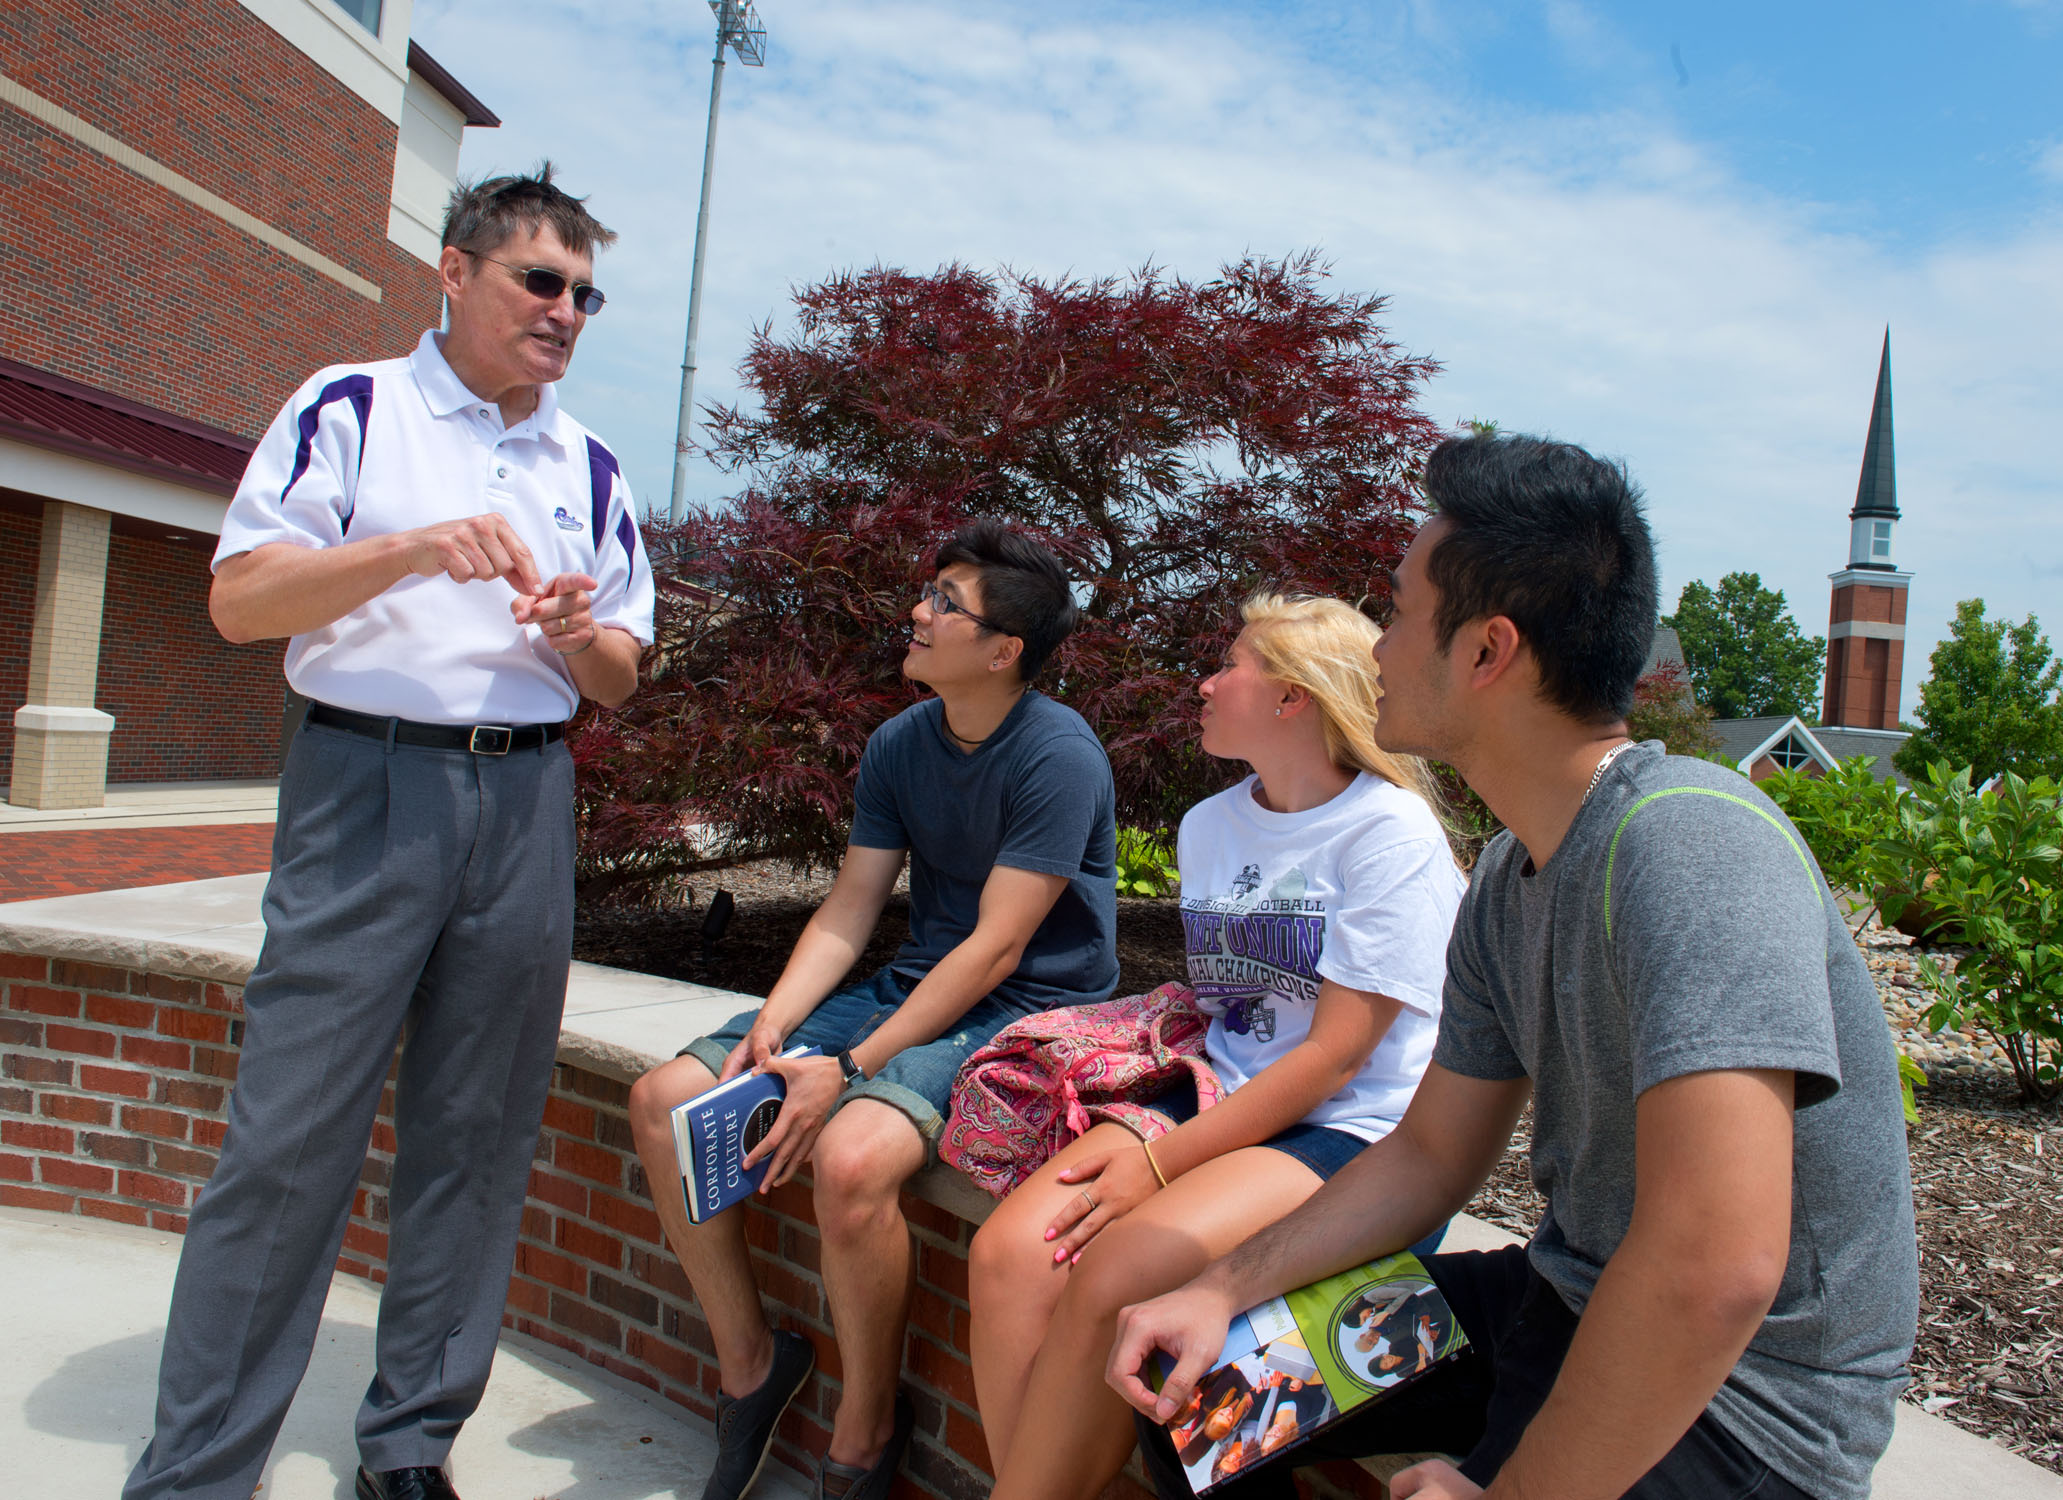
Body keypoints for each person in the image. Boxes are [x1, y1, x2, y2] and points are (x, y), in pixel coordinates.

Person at [1109, 435, 1919, 1500]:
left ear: (1488, 651)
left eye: (1396, 613)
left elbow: (1713, 1270)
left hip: (1743, 1410)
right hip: (1557, 1299)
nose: (1378, 648)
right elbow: (1429, 1155)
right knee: (1201, 1404)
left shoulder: (1692, 843)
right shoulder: (1508, 874)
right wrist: (1221, 1285)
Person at [125, 166, 653, 1500]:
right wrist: (412, 550)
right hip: (367, 789)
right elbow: (243, 604)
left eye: (586, 293)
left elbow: (624, 677)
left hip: (528, 801)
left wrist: (584, 638)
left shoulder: (589, 464)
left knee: (478, 1138)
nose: (567, 311)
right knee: (289, 1140)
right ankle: (198, 1471)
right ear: (456, 272)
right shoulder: (349, 408)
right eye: (542, 280)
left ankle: (410, 1446)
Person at [627, 519, 1118, 1500]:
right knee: (666, 1100)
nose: (918, 612)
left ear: (1003, 649)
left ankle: (866, 1430)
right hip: (921, 983)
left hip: (1028, 1010)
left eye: (945, 601)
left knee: (854, 1158)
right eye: (927, 591)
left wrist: (848, 1069)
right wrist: (780, 1018)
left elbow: (999, 947)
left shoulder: (1056, 753)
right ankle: (753, 1371)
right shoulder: (901, 744)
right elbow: (853, 908)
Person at [967, 593, 1465, 1500]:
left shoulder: (1388, 834)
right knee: (1010, 1255)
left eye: (1230, 663)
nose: (1205, 681)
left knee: (1114, 1269)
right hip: (1223, 1093)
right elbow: (1235, 1011)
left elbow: (1336, 1058)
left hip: (1354, 1133)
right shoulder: (1210, 825)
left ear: (1294, 699)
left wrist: (1157, 1169)